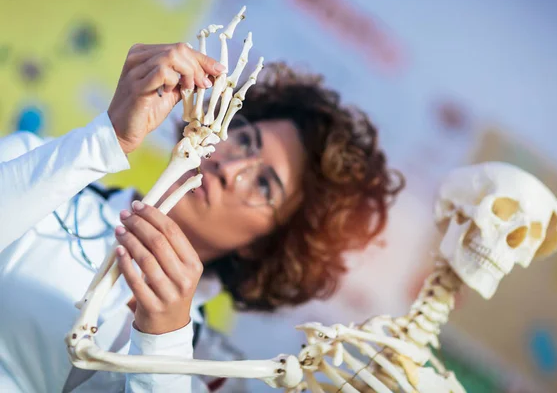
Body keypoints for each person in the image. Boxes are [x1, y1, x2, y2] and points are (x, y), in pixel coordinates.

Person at [0, 42, 403, 392]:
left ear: (266, 245)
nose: (230, 168)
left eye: (263, 186)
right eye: (244, 140)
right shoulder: (48, 170)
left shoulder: (212, 370)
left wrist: (165, 337)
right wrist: (107, 139)